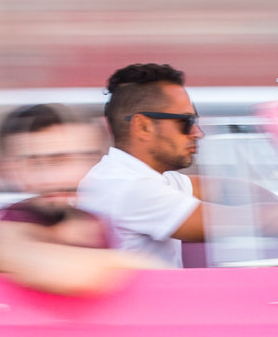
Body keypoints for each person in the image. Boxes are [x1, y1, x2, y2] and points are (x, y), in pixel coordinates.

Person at [0, 102, 145, 297]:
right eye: (48, 163)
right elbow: (73, 275)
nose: (70, 174)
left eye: (85, 158)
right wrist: (132, 262)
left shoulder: (87, 216)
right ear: (4, 172)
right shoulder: (10, 225)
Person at [75, 61, 204, 265]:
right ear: (143, 126)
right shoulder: (126, 187)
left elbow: (223, 188)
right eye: (186, 122)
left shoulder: (135, 176)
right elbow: (230, 224)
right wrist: (272, 214)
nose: (198, 133)